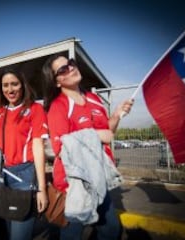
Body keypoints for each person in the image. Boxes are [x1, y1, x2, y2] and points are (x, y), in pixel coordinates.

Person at [41, 54, 134, 240]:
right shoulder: (58, 106)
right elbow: (60, 146)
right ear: (57, 82)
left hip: (99, 177)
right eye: (63, 69)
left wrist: (116, 116)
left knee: (110, 231)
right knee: (72, 235)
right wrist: (97, 135)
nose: (71, 68)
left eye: (71, 64)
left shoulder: (93, 98)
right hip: (74, 184)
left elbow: (108, 132)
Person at [0, 69, 48, 240]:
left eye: (14, 84)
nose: (10, 89)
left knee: (19, 236)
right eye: (5, 85)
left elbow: (38, 146)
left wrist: (42, 188)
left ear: (23, 85)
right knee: (7, 231)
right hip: (1, 175)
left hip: (24, 176)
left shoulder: (34, 108)